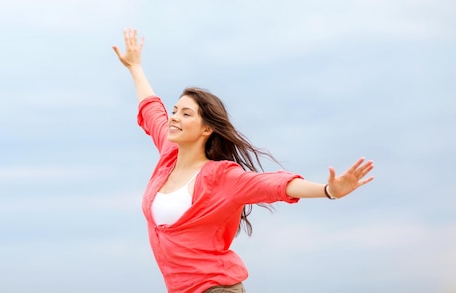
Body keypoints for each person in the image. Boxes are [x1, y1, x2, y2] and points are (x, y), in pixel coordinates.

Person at [112, 28, 374, 293]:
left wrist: (328, 190)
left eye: (186, 114)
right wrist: (135, 67)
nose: (175, 117)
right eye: (175, 111)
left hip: (217, 289)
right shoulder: (169, 154)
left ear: (206, 129)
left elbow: (274, 185)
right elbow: (151, 109)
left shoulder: (222, 177)